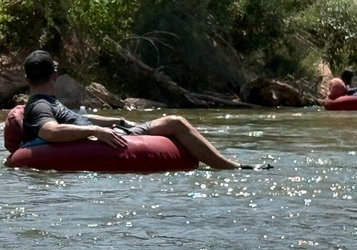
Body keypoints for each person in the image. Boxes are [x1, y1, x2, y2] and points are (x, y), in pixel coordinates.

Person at [21, 50, 262, 170]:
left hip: (114, 132)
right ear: (54, 75)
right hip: (108, 141)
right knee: (175, 122)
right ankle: (232, 167)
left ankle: (228, 164)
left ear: (27, 78)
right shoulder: (40, 105)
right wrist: (98, 131)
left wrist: (113, 119)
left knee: (172, 122)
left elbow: (81, 118)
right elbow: (50, 132)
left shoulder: (47, 101)